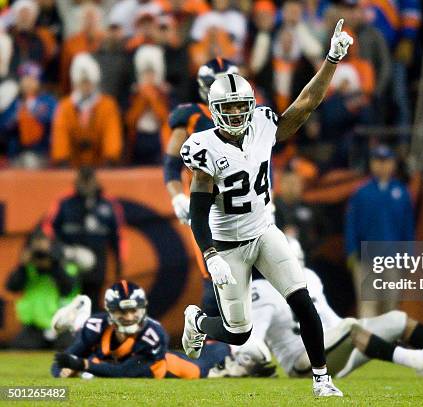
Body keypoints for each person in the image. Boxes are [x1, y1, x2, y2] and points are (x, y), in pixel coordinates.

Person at [180, 19, 353, 397]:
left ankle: (322, 379)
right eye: (230, 108)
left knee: (301, 299)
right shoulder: (204, 147)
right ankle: (196, 322)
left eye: (243, 106)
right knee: (238, 332)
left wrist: (331, 59)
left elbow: (305, 104)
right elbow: (198, 209)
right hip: (227, 243)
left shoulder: (262, 125)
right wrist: (211, 256)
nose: (239, 114)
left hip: (262, 231)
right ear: (213, 109)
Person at [219, 237, 423, 379]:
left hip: (337, 345)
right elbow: (252, 342)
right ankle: (413, 361)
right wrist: (244, 359)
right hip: (303, 363)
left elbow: (331, 320)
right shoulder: (261, 292)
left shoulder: (311, 278)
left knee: (395, 319)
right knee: (350, 327)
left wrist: (351, 331)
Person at [163, 57, 238, 317]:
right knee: (214, 270)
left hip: (242, 200)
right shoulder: (192, 116)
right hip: (207, 202)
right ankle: (216, 346)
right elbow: (171, 165)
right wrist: (178, 198)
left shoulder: (249, 114)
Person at [52, 280, 230, 379]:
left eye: (133, 311)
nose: (129, 317)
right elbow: (59, 364)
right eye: (122, 311)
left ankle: (236, 348)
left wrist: (81, 364)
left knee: (207, 362)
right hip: (115, 362)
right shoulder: (97, 326)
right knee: (94, 366)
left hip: (174, 368)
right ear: (110, 311)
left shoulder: (154, 334)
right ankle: (80, 322)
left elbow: (124, 373)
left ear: (143, 308)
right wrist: (63, 371)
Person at [345, 145, 414, 317]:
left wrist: (409, 254)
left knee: (391, 305)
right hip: (366, 257)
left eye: (386, 161)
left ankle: (388, 343)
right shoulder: (361, 193)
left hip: (393, 258)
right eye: (377, 161)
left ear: (393, 164)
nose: (381, 166)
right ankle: (366, 343)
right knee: (368, 303)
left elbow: (407, 227)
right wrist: (352, 251)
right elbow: (351, 224)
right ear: (371, 164)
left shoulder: (402, 192)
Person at [43, 167, 125, 310]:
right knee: (68, 302)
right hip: (69, 261)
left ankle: (89, 330)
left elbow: (118, 235)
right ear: (77, 182)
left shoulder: (108, 204)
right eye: (83, 181)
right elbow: (48, 228)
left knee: (92, 302)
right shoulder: (65, 202)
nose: (86, 185)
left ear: (96, 181)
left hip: (97, 263)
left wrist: (119, 263)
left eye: (89, 181)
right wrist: (59, 250)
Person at [5, 229, 80, 349]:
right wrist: (22, 266)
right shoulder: (28, 268)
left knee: (69, 349)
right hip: (34, 326)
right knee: (19, 348)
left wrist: (54, 266)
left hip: (62, 325)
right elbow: (11, 287)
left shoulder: (66, 266)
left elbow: (68, 289)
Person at [50, 53, 123, 167]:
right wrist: (62, 159)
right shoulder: (65, 106)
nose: (85, 86)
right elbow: (60, 134)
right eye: (82, 82)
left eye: (88, 82)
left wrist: (110, 157)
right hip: (72, 165)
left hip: (100, 164)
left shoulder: (107, 105)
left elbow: (112, 134)